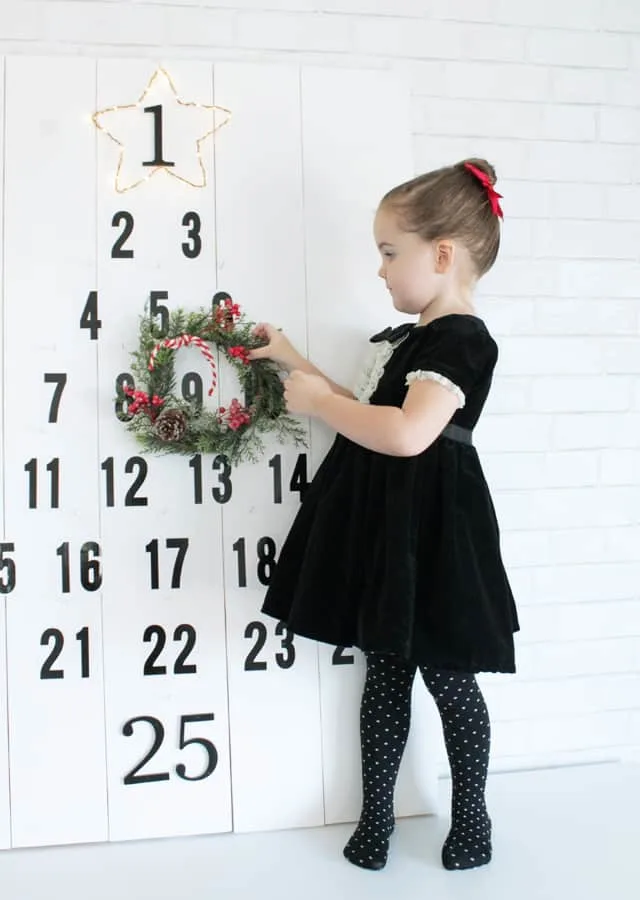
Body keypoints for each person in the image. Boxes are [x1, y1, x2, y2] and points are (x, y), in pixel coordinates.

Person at [248, 158, 519, 872]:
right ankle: (376, 818)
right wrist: (290, 361)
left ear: (442, 254)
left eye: (389, 253)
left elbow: (406, 434)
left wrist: (319, 403)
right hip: (391, 530)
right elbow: (367, 415)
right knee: (386, 675)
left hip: (433, 533)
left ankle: (472, 817)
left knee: (451, 678)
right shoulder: (407, 341)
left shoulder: (463, 339)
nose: (380, 271)